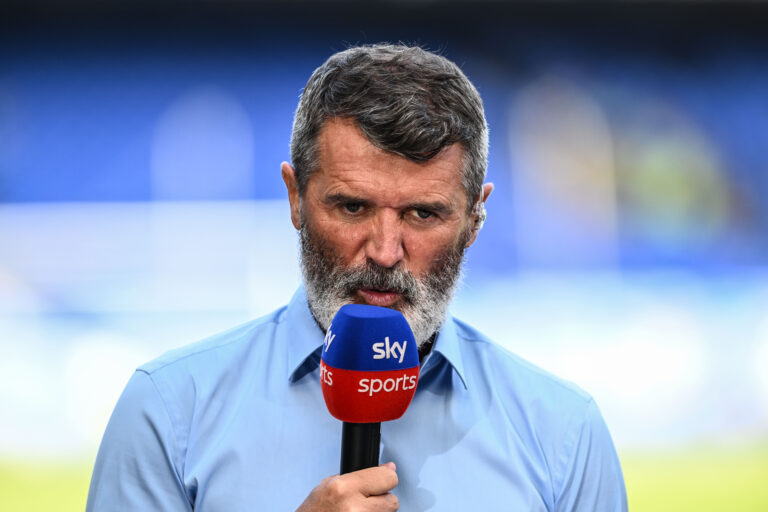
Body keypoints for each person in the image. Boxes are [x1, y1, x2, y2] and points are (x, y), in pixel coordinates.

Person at [86, 44, 627, 511]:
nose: (385, 252)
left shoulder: (564, 432)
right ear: (295, 197)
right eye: (351, 207)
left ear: (475, 219)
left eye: (423, 214)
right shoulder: (167, 410)